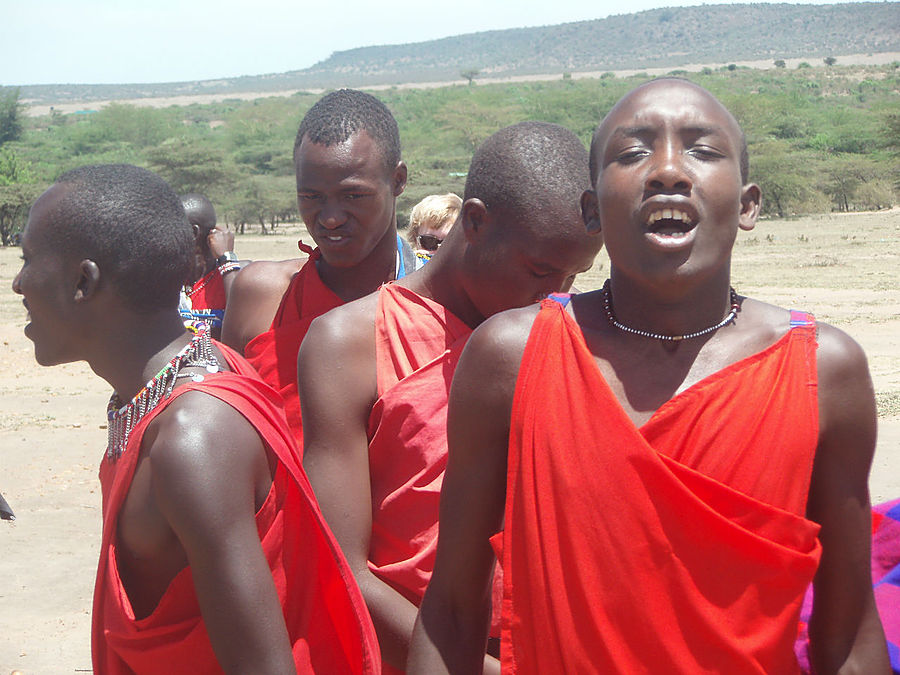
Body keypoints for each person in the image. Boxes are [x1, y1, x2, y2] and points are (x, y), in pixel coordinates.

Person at [409, 79, 890, 674]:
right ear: (592, 210)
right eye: (632, 152)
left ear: (748, 204)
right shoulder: (510, 356)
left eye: (702, 151)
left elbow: (846, 633)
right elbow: (453, 608)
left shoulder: (823, 369)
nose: (667, 170)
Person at [13, 164, 380, 674]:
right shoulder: (170, 386)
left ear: (83, 281)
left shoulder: (194, 437)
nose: (16, 282)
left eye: (29, 259)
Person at [299, 121, 603, 673]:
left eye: (574, 274)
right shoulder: (351, 343)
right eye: (540, 270)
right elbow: (337, 567)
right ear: (476, 220)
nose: (558, 292)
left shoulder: (565, 333)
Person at [221, 89, 417, 448]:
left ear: (398, 180)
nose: (329, 218)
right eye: (310, 197)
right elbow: (232, 437)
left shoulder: (434, 308)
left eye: (353, 196)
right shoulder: (262, 297)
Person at [178, 193, 244, 339]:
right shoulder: (166, 277)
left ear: (193, 233)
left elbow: (240, 330)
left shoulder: (237, 276)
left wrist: (227, 259)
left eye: (172, 226)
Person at [405, 193, 462, 260]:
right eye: (429, 242)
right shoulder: (409, 267)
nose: (439, 252)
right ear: (416, 240)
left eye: (449, 243)